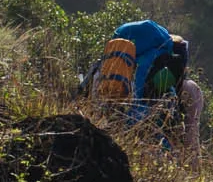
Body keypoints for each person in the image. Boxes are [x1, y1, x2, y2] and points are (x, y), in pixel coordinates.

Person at [81, 21, 204, 149]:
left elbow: (81, 97)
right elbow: (191, 136)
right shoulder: (169, 78)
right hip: (145, 145)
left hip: (98, 135)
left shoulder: (104, 66)